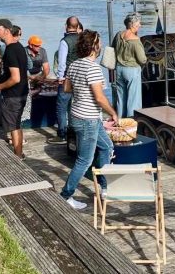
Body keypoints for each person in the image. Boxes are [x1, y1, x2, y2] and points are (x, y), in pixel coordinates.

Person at [60, 29, 117, 210]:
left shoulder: (75, 64)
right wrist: (113, 113)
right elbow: (100, 98)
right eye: (99, 42)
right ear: (94, 46)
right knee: (84, 160)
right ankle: (66, 195)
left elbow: (67, 88)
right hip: (88, 120)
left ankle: (104, 187)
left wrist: (82, 90)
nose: (100, 45)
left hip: (78, 115)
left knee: (107, 146)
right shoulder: (93, 68)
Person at [0, 19, 30, 158]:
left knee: (13, 127)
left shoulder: (11, 50)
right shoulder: (19, 47)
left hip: (13, 95)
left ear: (7, 30)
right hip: (21, 93)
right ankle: (20, 153)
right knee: (16, 124)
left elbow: (15, 77)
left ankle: (17, 156)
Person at [50, 16, 81, 144]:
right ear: (78, 26)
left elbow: (62, 62)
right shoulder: (82, 39)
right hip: (80, 76)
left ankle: (62, 134)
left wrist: (60, 77)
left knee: (61, 106)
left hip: (68, 77)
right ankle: (74, 133)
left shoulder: (65, 41)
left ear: (66, 26)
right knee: (74, 105)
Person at [112, 12, 147, 117]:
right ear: (133, 24)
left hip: (119, 69)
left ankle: (120, 120)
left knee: (121, 97)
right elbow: (142, 59)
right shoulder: (135, 40)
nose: (140, 25)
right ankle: (132, 121)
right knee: (133, 98)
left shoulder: (119, 35)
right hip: (132, 70)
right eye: (139, 24)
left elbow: (113, 48)